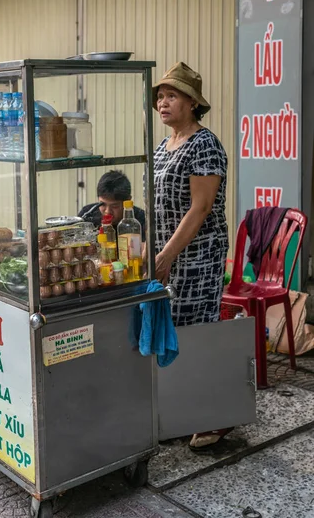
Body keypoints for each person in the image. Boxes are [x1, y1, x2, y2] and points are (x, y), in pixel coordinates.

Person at [152, 61, 230, 450]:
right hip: (169, 254)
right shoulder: (163, 146)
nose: (163, 103)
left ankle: (214, 419)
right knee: (173, 333)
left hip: (199, 256)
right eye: (160, 97)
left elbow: (199, 209)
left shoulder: (205, 144)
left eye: (172, 96)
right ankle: (184, 412)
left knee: (197, 333)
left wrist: (166, 255)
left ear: (192, 103)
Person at [79, 170, 146, 240]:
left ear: (128, 200)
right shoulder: (87, 215)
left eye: (115, 206)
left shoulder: (141, 220)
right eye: (102, 204)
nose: (107, 211)